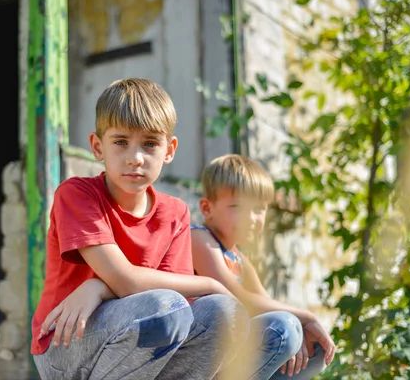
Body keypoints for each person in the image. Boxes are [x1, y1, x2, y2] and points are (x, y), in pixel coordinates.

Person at [30, 79, 249, 380]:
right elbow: (129, 282)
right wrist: (210, 283)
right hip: (66, 341)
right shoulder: (77, 194)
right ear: (97, 147)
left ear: (169, 150)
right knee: (165, 307)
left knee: (225, 313)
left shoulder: (175, 212)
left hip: (136, 341)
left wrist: (98, 287)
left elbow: (175, 296)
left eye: (149, 144)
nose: (135, 158)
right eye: (120, 142)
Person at [191, 154, 336, 379]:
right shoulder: (200, 240)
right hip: (205, 353)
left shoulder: (240, 259)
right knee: (284, 328)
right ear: (207, 208)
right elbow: (237, 297)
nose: (251, 218)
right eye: (238, 206)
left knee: (314, 347)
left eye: (258, 209)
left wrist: (299, 329)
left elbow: (268, 304)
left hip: (235, 351)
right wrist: (304, 316)